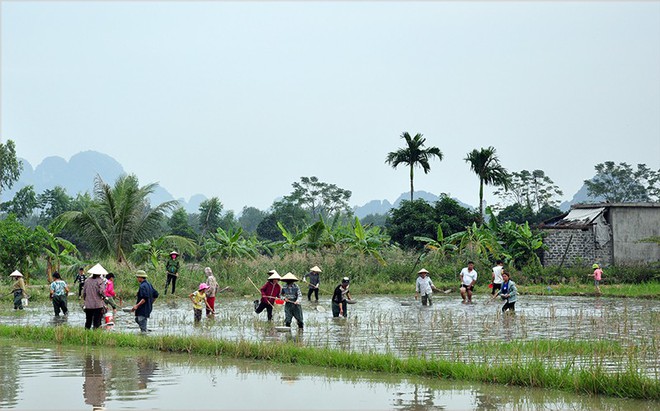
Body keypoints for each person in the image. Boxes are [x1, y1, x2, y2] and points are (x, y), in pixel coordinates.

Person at [82, 264, 108, 329]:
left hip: (88, 305)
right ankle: (96, 334)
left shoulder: (87, 280)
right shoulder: (100, 281)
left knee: (88, 321)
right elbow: (101, 292)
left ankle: (86, 333)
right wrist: (104, 297)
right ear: (100, 274)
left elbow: (84, 293)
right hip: (97, 305)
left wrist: (86, 301)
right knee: (96, 321)